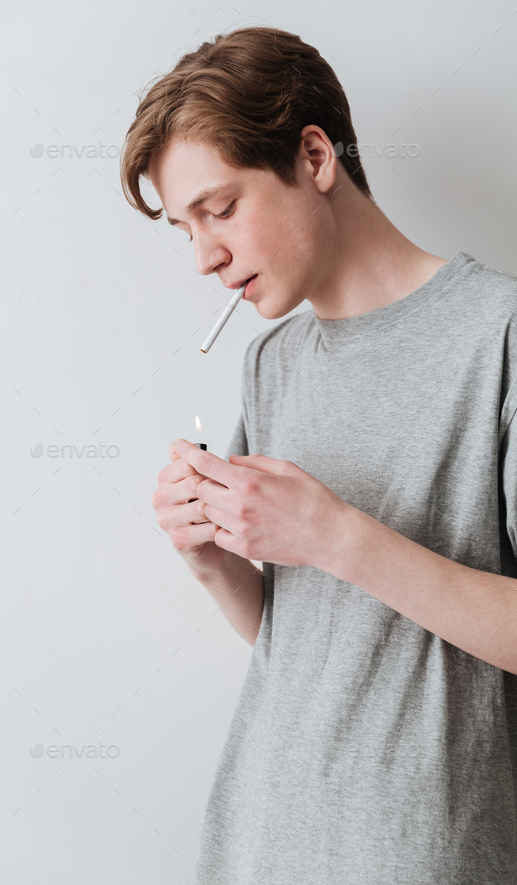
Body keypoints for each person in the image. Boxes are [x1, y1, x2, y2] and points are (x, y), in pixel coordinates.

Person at [121, 25, 517, 885]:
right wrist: (208, 560)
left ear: (313, 155)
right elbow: (305, 640)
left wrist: (339, 535)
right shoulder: (272, 362)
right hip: (255, 844)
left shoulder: (500, 336)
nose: (204, 257)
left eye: (219, 209)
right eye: (186, 228)